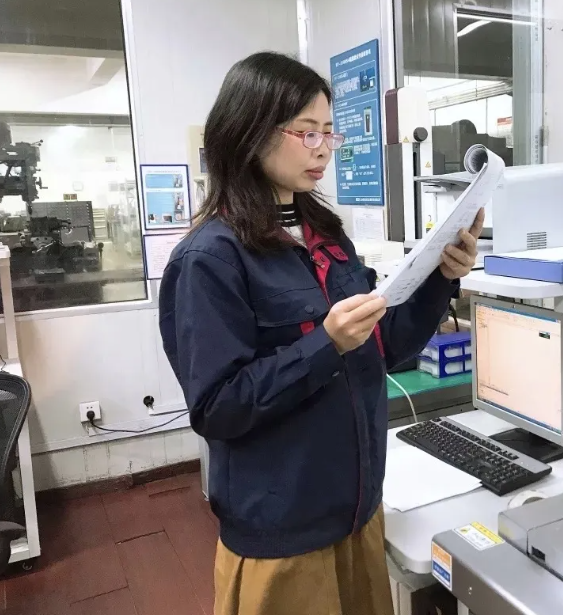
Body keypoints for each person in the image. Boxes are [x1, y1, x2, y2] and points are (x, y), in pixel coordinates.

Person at [158, 52, 483, 615]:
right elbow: (218, 407)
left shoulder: (327, 237)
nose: (322, 148)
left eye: (329, 133)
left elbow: (386, 347)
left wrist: (440, 279)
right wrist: (324, 345)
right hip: (284, 533)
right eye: (306, 132)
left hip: (358, 513)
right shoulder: (211, 259)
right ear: (250, 132)